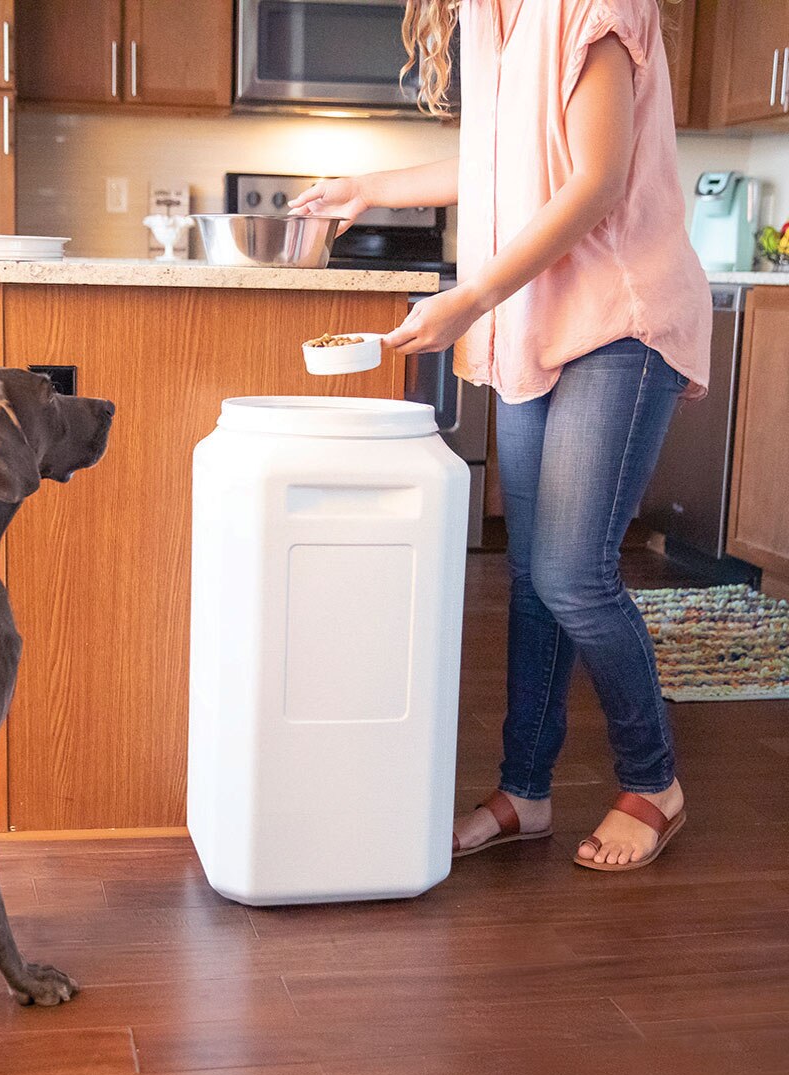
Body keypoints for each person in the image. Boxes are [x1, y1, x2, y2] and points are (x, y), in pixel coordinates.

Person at [289, 0, 710, 872]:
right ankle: (526, 791)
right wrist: (370, 188)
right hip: (535, 318)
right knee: (531, 578)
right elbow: (496, 161)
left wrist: (471, 296)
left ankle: (654, 782)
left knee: (572, 575)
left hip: (619, 321)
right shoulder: (490, 17)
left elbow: (595, 180)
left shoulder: (595, 7)